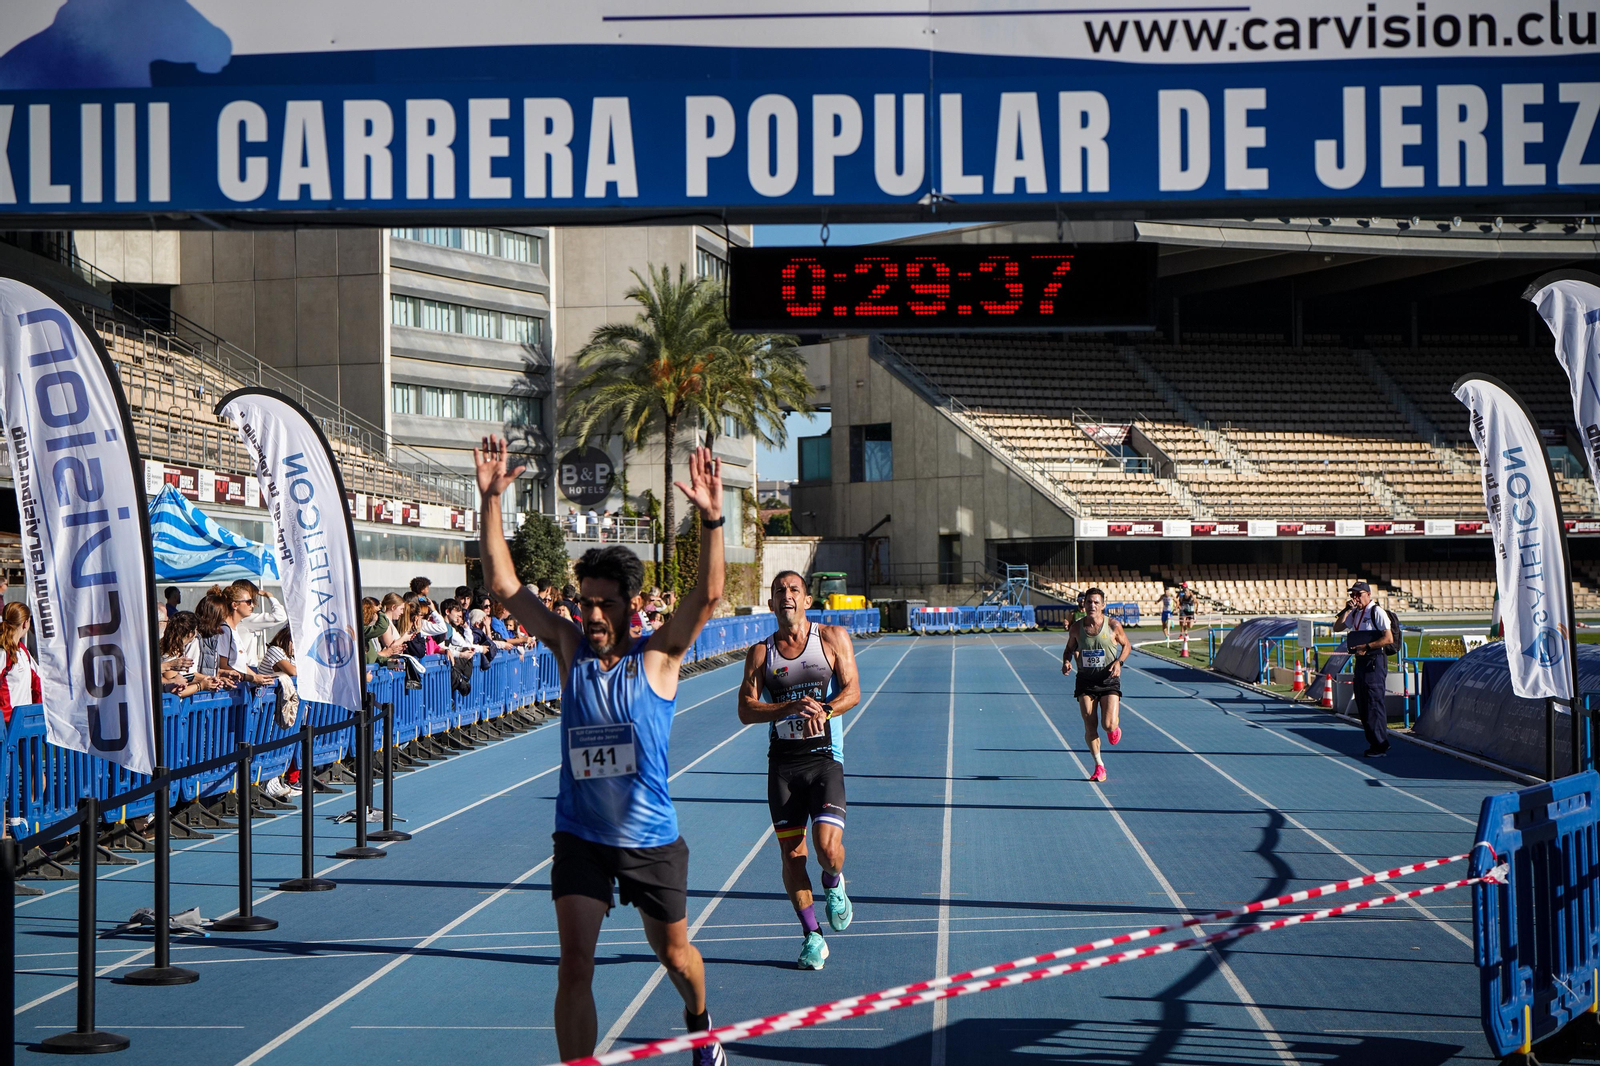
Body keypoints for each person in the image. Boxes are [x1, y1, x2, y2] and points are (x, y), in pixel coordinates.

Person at [475, 434, 730, 1066]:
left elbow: (707, 598)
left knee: (676, 956)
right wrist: (490, 501)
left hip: (649, 839)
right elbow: (504, 586)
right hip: (581, 836)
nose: (591, 615)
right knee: (574, 966)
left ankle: (701, 1024)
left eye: (604, 604)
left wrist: (711, 521)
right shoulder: (569, 649)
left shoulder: (659, 657)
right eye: (584, 602)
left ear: (632, 606)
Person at [738, 570, 861, 971]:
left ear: (807, 600)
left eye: (794, 590)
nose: (786, 595)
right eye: (779, 591)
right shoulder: (761, 654)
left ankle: (833, 882)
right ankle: (812, 937)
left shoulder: (832, 638)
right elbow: (745, 709)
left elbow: (853, 691)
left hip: (824, 758)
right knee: (792, 857)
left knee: (828, 851)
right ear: (771, 603)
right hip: (784, 766)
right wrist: (787, 707)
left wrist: (825, 710)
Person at [1061, 588, 1131, 783]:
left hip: (1108, 679)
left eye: (1096, 602)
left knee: (1107, 725)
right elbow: (1068, 650)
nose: (1091, 605)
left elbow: (1127, 646)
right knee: (1090, 725)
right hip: (1085, 680)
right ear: (1083, 604)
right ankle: (1099, 765)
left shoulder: (1113, 625)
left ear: (1103, 605)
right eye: (1088, 602)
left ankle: (1114, 727)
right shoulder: (1076, 628)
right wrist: (1066, 662)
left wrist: (1119, 662)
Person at [1333, 581, 1395, 757]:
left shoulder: (1377, 612)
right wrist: (1347, 610)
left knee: (1373, 703)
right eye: (1352, 594)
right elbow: (1337, 627)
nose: (1355, 598)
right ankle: (1375, 742)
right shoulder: (1355, 613)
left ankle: (1380, 745)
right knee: (1362, 702)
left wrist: (1367, 647)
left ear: (1368, 594)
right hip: (1361, 661)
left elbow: (1388, 638)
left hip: (1374, 661)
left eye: (1358, 594)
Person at [228, 580, 287, 673]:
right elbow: (280, 616)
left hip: (236, 667)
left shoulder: (229, 619)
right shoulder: (246, 620)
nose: (252, 605)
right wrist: (268, 595)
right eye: (248, 601)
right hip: (247, 668)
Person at [0, 602, 41, 722]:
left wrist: (36, 714)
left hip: (22, 722)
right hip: (6, 724)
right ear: (25, 623)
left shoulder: (22, 650)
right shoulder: (3, 652)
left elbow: (39, 682)